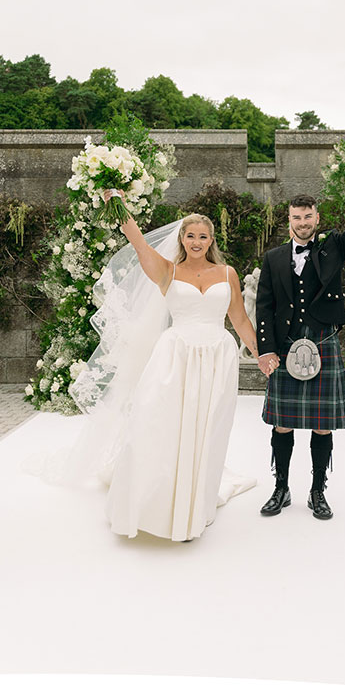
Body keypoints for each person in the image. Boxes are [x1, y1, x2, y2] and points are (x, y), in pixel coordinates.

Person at [85, 202, 260, 541]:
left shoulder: (228, 274)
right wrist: (116, 200)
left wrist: (261, 355)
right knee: (158, 423)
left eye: (203, 237)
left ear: (211, 240)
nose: (196, 242)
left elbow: (239, 318)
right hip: (174, 357)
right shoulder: (167, 271)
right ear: (182, 238)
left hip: (216, 359)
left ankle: (194, 504)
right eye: (190, 236)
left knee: (207, 429)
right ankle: (150, 503)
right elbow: (138, 242)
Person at [255, 168, 345, 521]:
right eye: (297, 217)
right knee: (282, 423)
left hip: (323, 341)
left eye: (308, 216)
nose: (303, 222)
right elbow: (264, 305)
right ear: (289, 220)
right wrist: (266, 349)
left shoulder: (332, 247)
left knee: (323, 423)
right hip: (286, 344)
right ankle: (281, 488)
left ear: (317, 218)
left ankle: (317, 491)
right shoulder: (274, 257)